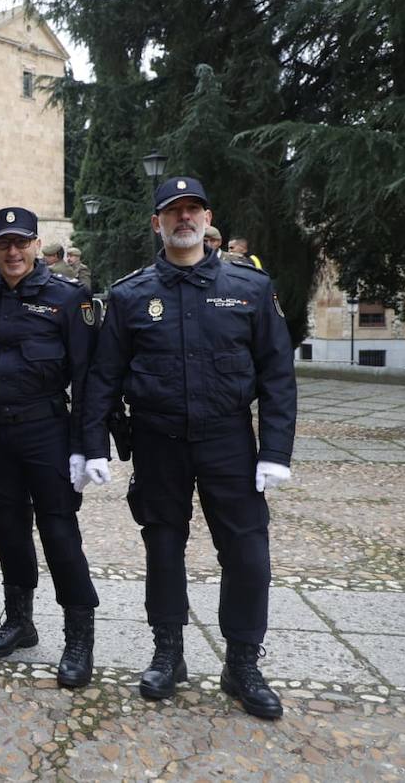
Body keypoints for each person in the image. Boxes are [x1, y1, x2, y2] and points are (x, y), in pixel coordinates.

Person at [81, 176, 295, 719]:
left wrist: (275, 451)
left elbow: (276, 373)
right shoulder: (131, 295)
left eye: (192, 210)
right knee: (162, 549)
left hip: (228, 439)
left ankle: (242, 661)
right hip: (158, 440)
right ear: (157, 223)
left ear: (206, 218)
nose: (183, 219)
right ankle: (168, 652)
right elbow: (103, 378)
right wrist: (94, 445)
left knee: (248, 554)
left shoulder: (248, 288)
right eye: (172, 211)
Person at [0, 207, 98, 688]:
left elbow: (87, 378)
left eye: (22, 243)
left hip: (46, 431)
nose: (13, 253)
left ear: (38, 245)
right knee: (8, 529)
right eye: (3, 244)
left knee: (60, 533)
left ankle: (79, 635)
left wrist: (86, 446)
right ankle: (20, 620)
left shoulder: (67, 298)